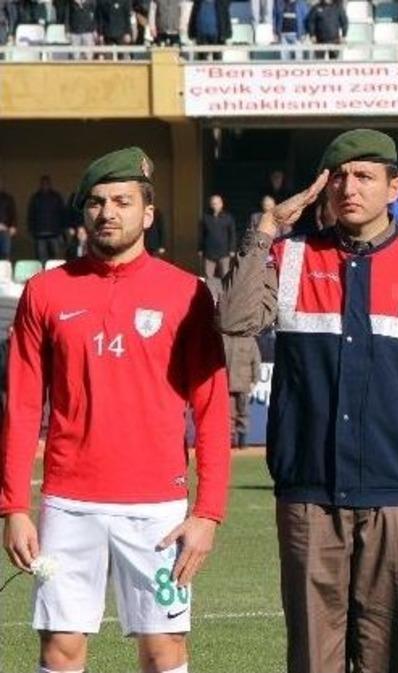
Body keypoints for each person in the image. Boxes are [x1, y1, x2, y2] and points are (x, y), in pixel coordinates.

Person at [217, 129, 398, 673]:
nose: (348, 188)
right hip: (309, 494)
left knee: (387, 657)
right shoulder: (288, 255)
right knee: (312, 658)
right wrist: (267, 227)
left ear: (394, 187)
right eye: (338, 177)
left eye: (364, 176)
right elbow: (234, 319)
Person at [0, 147, 230, 673]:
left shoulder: (187, 294)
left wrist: (208, 512)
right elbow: (23, 406)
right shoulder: (44, 292)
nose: (108, 213)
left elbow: (212, 408)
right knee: (60, 649)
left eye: (123, 202)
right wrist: (14, 507)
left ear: (148, 214)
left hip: (158, 511)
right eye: (97, 202)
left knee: (164, 650)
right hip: (68, 505)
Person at [223, 334, 261, 448]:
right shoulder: (224, 337)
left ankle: (242, 440)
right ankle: (229, 440)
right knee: (228, 414)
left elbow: (256, 361)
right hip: (227, 383)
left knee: (243, 412)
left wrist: (254, 380)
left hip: (244, 383)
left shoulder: (249, 339)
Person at [27, 175, 67, 264]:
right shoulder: (35, 198)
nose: (45, 185)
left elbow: (62, 214)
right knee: (42, 259)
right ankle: (44, 273)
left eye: (47, 183)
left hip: (55, 232)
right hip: (39, 233)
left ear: (50, 184)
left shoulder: (56, 197)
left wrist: (62, 229)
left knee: (56, 259)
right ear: (40, 184)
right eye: (43, 183)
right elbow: (31, 215)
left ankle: (56, 273)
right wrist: (31, 230)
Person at [197, 194, 235, 279]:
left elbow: (232, 234)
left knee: (225, 275)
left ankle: (225, 288)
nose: (215, 206)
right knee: (208, 276)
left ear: (221, 204)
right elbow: (201, 235)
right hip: (209, 252)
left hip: (224, 252)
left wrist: (232, 249)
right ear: (210, 205)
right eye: (213, 204)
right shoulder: (205, 217)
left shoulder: (228, 218)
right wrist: (200, 249)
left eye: (217, 203)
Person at [0, 176, 17, 262]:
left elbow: (13, 213)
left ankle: (6, 269)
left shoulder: (8, 198)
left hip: (5, 231)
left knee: (6, 255)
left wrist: (13, 226)